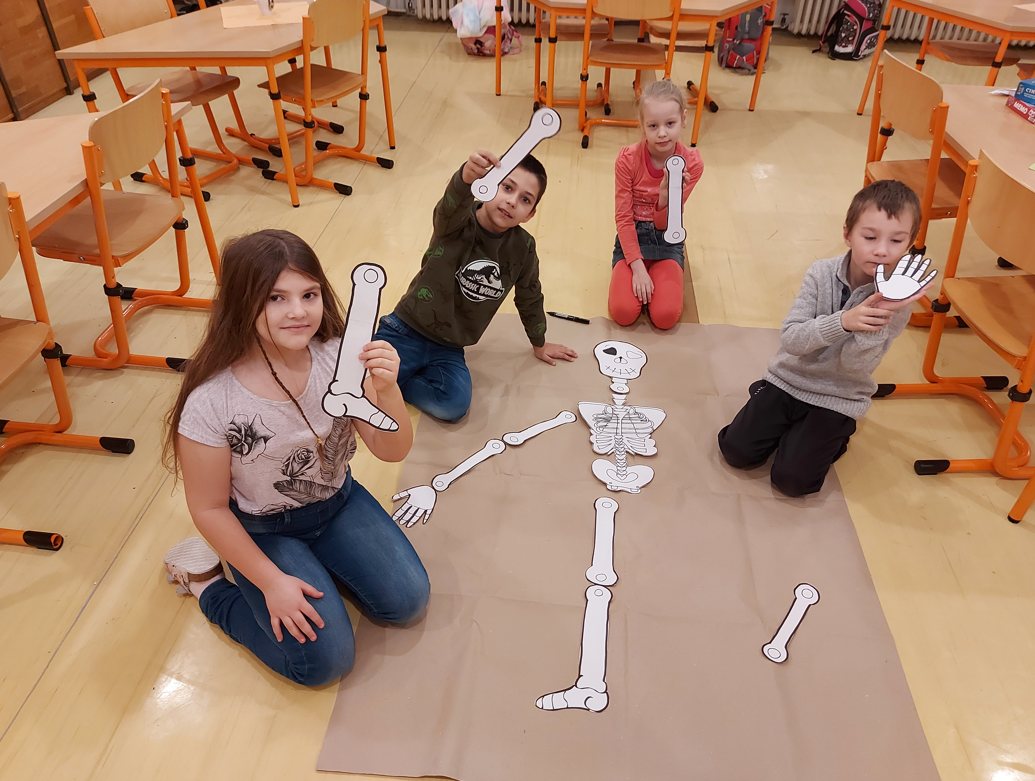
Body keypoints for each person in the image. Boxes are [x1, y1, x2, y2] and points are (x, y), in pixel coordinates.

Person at [162, 229, 429, 686]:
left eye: (309, 294)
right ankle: (208, 585)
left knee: (408, 602)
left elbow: (392, 449)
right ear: (242, 303)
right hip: (263, 527)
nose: (298, 311)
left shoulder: (339, 358)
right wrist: (270, 581)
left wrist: (388, 390)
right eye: (276, 298)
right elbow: (208, 508)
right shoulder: (212, 401)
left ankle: (314, 566)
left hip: (338, 502)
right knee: (324, 664)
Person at [717, 180, 931, 497]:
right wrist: (843, 322)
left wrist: (878, 316)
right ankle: (768, 402)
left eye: (897, 240)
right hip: (789, 378)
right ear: (847, 234)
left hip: (838, 394)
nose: (882, 250)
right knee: (736, 451)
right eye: (869, 237)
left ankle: (838, 432)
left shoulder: (898, 303)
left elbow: (854, 367)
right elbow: (792, 339)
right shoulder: (821, 273)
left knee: (793, 481)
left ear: (910, 243)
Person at [373, 149, 578, 423]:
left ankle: (401, 381)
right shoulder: (455, 222)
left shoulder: (524, 247)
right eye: (507, 187)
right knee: (360, 384)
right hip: (406, 329)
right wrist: (466, 178)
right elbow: (450, 204)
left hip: (449, 347)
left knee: (453, 406)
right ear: (488, 184)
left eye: (525, 199)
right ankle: (392, 377)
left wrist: (539, 343)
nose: (512, 201)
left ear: (530, 214)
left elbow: (529, 295)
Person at [608, 79, 704, 331]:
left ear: (683, 119)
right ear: (642, 126)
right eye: (653, 126)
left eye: (670, 124)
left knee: (665, 316)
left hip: (667, 240)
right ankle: (639, 274)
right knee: (623, 312)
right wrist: (637, 266)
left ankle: (662, 277)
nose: (662, 133)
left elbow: (666, 225)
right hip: (632, 238)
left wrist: (665, 196)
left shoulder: (691, 163)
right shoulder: (627, 160)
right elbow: (623, 218)